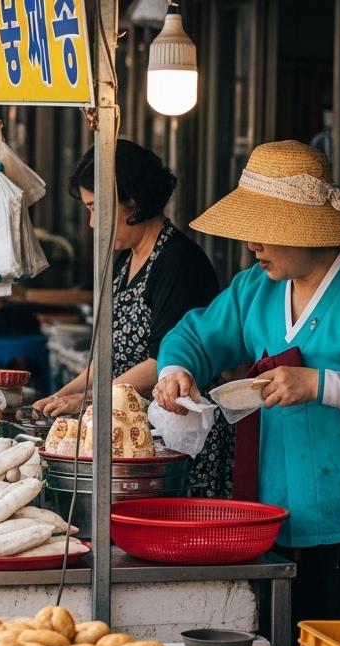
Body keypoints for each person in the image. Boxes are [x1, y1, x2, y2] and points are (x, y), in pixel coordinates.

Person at [153, 140, 340, 623]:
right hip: (296, 509)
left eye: (263, 231)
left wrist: (318, 385)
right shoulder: (255, 288)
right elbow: (195, 335)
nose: (251, 245)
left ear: (305, 229)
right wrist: (177, 372)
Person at [34, 140, 233, 498]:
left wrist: (90, 403)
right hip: (129, 438)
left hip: (175, 438)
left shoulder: (178, 262)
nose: (92, 223)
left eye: (96, 208)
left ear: (133, 202)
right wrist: (60, 398)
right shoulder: (125, 260)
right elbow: (106, 360)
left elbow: (162, 364)